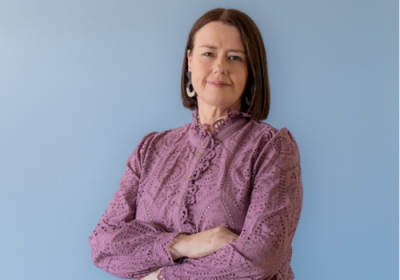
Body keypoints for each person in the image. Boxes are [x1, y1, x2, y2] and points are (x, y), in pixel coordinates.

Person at [89, 8, 303, 280]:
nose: (220, 67)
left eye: (235, 57)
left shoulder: (271, 147)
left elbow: (260, 258)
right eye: (208, 53)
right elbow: (104, 245)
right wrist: (186, 244)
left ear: (251, 71)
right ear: (189, 61)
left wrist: (161, 277)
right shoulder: (151, 148)